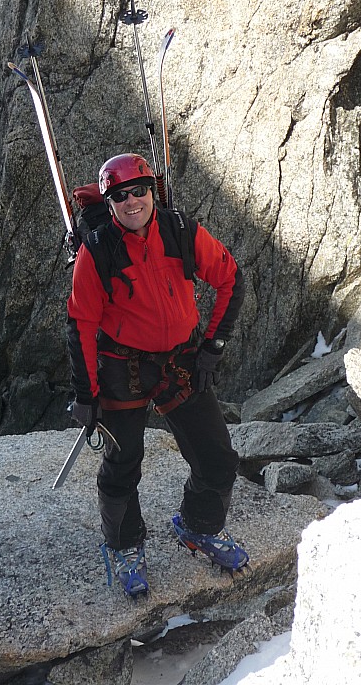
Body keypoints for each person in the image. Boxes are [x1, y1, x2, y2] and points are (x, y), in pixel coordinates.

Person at [66, 153, 248, 596]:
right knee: (122, 463)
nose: (132, 202)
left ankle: (199, 526)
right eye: (120, 196)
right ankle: (124, 545)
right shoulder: (97, 251)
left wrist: (213, 346)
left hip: (180, 360)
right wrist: (87, 394)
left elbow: (230, 278)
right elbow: (81, 325)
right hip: (121, 367)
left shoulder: (181, 231)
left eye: (139, 191)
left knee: (217, 457)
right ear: (109, 203)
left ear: (153, 191)